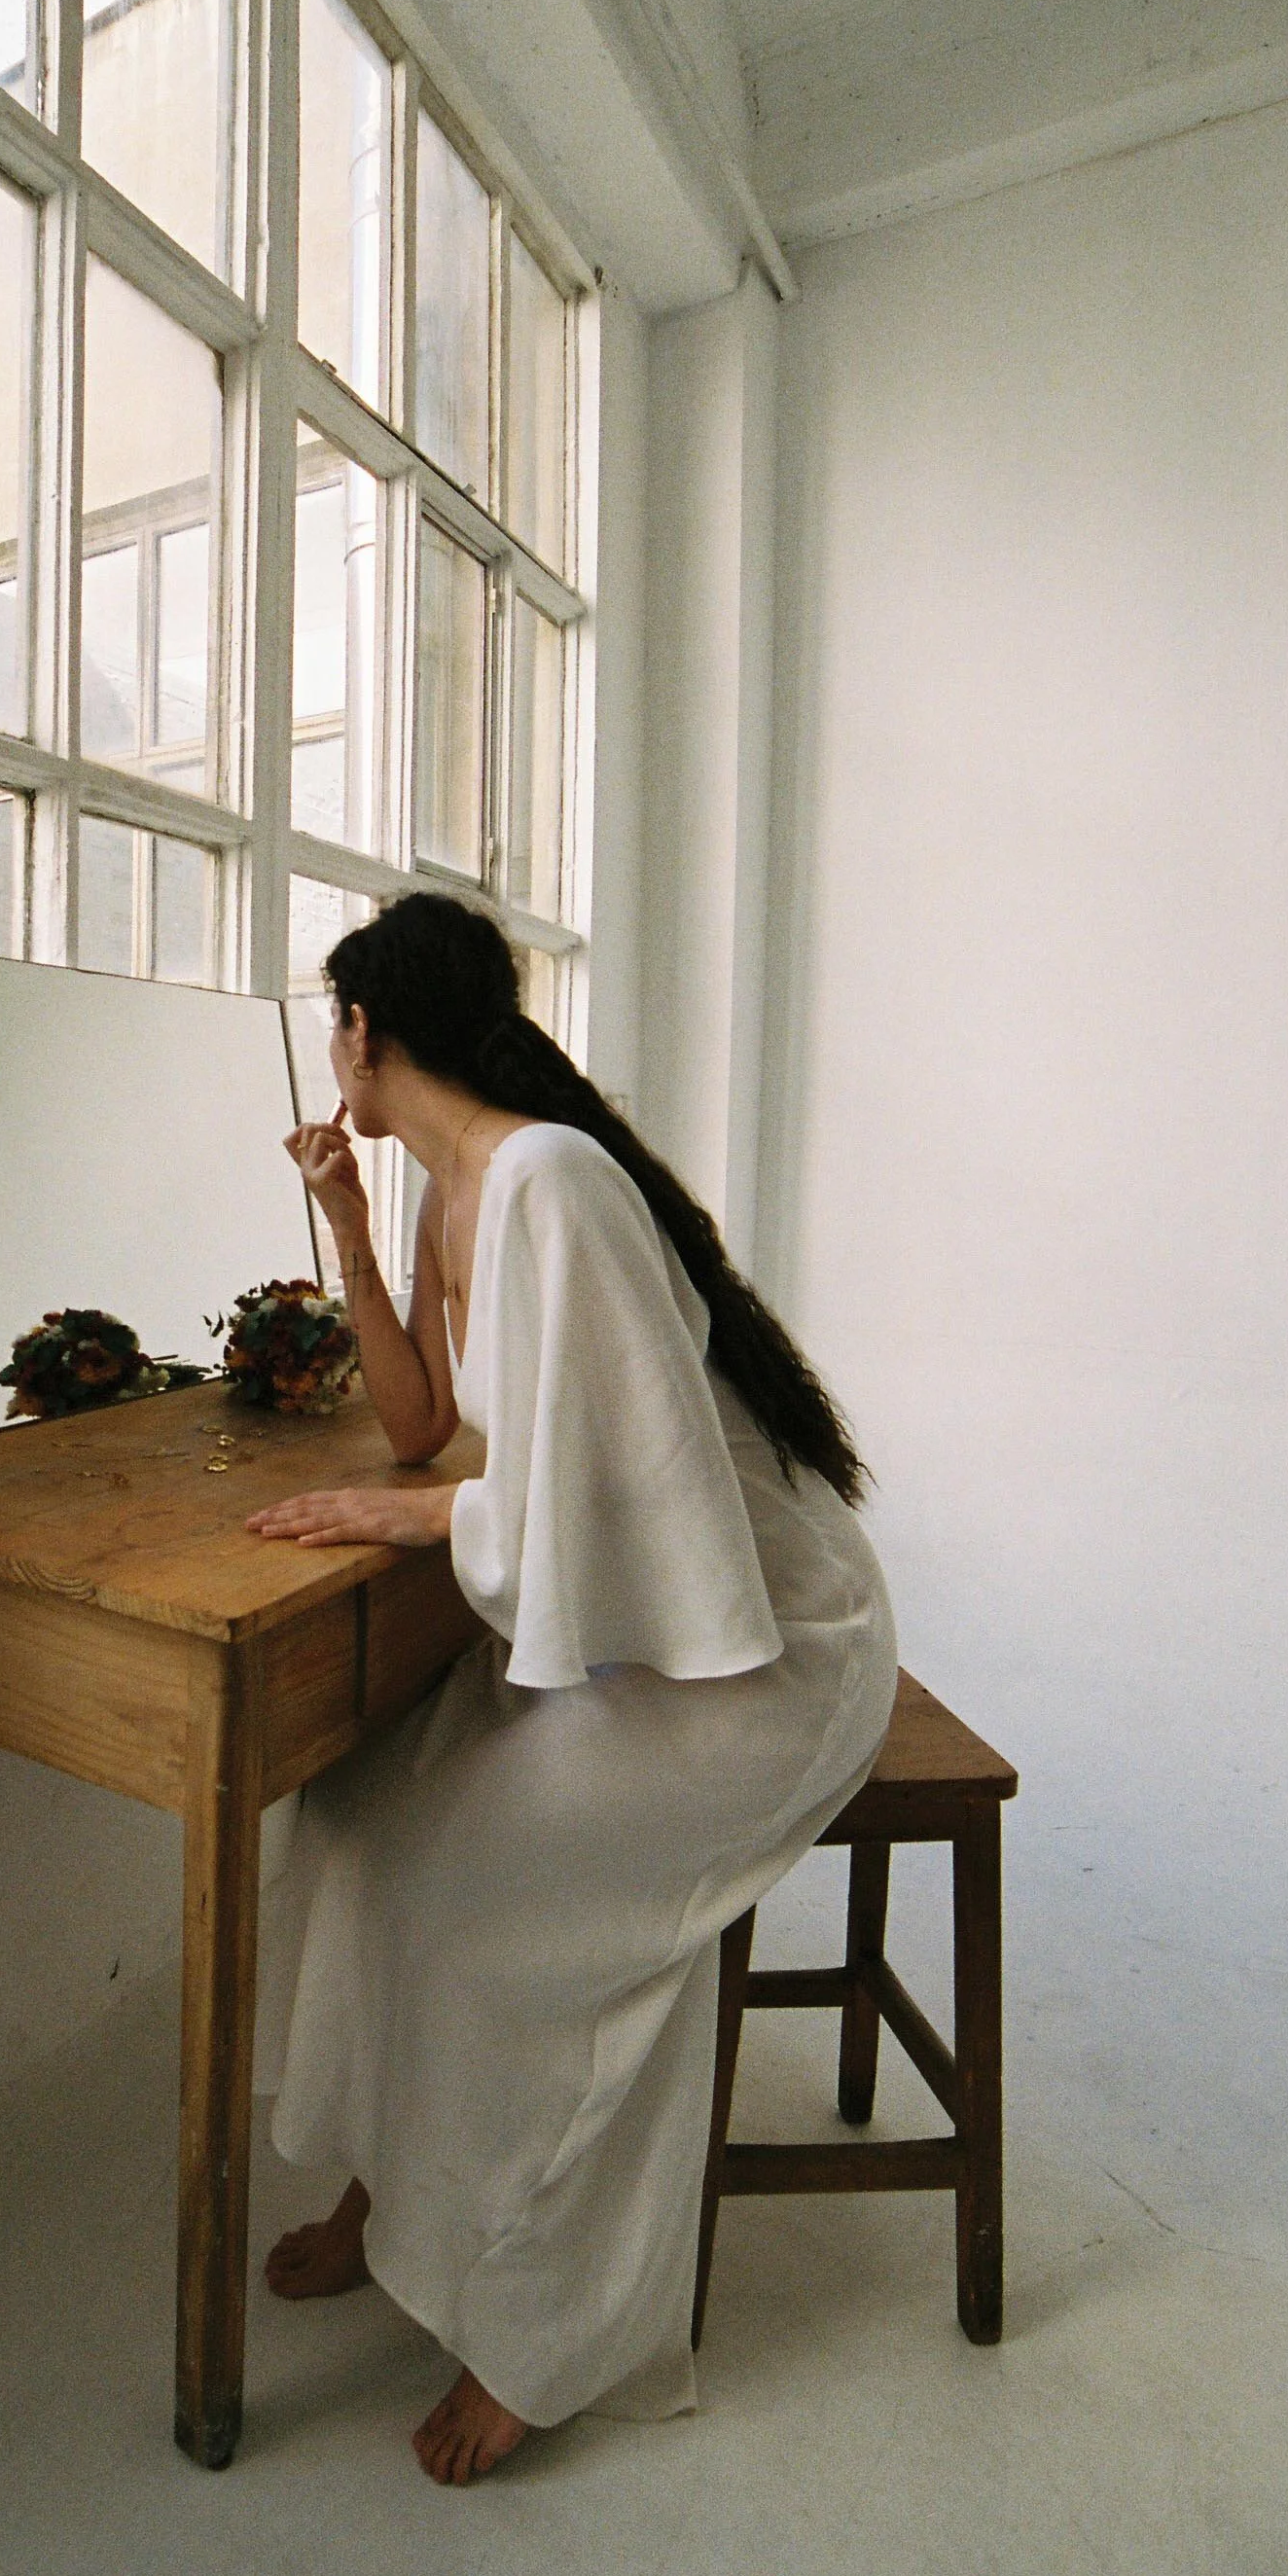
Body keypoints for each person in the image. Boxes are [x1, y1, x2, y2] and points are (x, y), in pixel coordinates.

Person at [247, 892, 898, 2486]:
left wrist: (417, 1519)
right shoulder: (455, 1184)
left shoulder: (547, 1175)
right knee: (351, 1808)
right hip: (621, 1627)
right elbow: (422, 1425)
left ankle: (546, 2324)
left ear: (363, 1032)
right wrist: (344, 1223)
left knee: (490, 1895)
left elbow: (609, 1489)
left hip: (753, 1658)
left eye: (337, 1027)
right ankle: (385, 2190)